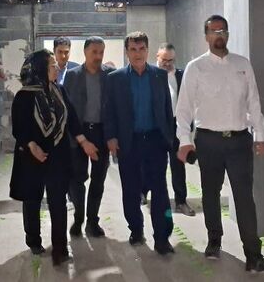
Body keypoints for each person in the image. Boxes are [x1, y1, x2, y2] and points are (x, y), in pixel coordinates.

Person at [176, 15, 264, 273]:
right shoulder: (196, 68)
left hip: (239, 141)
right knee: (210, 193)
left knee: (244, 197)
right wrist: (184, 141)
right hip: (208, 141)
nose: (218, 35)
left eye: (222, 30)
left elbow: (253, 101)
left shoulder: (242, 64)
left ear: (228, 34)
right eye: (213, 31)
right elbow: (184, 108)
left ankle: (253, 255)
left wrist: (260, 135)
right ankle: (214, 240)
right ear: (206, 36)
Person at [9, 49, 98, 266]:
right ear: (40, 69)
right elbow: (19, 127)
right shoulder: (24, 96)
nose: (56, 68)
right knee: (33, 200)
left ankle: (60, 247)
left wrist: (83, 141)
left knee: (58, 201)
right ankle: (34, 240)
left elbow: (71, 118)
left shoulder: (59, 90)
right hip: (33, 157)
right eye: (51, 65)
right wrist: (32, 146)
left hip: (58, 155)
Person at [104, 31, 175, 255]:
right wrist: (111, 137)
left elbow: (166, 109)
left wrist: (169, 138)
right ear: (127, 52)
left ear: (147, 50)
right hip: (129, 141)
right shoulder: (115, 79)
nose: (138, 53)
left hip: (155, 140)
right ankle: (136, 229)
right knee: (131, 189)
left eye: (142, 48)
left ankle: (162, 237)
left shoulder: (159, 76)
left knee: (160, 190)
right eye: (133, 49)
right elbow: (109, 111)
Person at [64, 37, 115, 238]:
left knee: (98, 179)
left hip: (102, 132)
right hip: (79, 132)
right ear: (85, 52)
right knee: (77, 178)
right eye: (94, 52)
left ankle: (92, 221)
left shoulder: (109, 75)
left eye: (101, 52)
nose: (98, 56)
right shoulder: (73, 75)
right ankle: (78, 218)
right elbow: (68, 109)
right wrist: (77, 137)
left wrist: (112, 135)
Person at [156, 43, 195, 217]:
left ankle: (181, 201)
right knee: (153, 163)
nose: (167, 63)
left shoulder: (181, 75)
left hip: (176, 125)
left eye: (170, 60)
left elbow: (189, 101)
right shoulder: (150, 75)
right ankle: (146, 194)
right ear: (157, 57)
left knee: (178, 164)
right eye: (164, 60)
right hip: (156, 126)